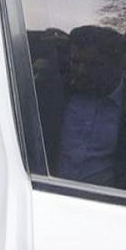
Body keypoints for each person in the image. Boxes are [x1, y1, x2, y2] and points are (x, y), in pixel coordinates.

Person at [54, 25, 126, 187]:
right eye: (76, 62)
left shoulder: (122, 107)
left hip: (103, 201)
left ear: (119, 66)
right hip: (45, 195)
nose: (81, 71)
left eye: (93, 64)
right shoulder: (54, 95)